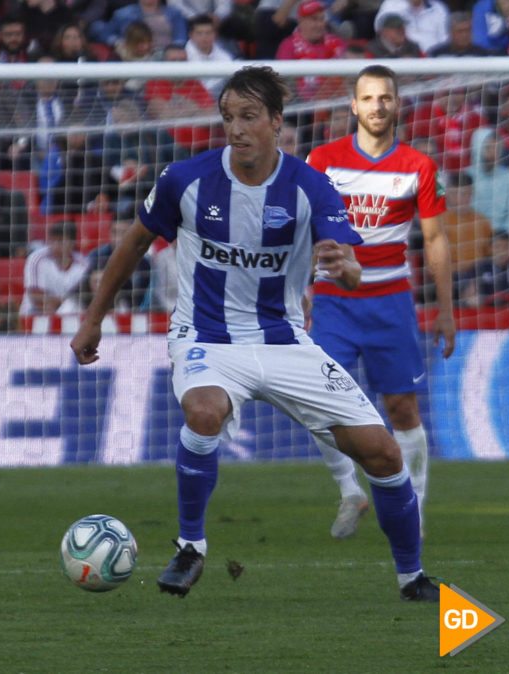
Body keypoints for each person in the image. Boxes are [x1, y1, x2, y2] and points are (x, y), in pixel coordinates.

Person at [71, 65, 439, 603]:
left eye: (248, 117)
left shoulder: (311, 186)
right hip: (207, 336)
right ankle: (190, 547)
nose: (236, 129)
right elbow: (132, 245)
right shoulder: (186, 179)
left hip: (284, 341)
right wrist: (93, 317)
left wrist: (344, 267)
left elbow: (353, 266)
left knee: (383, 454)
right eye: (228, 117)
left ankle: (413, 578)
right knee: (202, 412)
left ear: (275, 121)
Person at [306, 65, 456, 540]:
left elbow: (434, 239)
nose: (377, 106)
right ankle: (351, 490)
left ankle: (414, 507)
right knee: (319, 403)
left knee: (403, 410)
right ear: (353, 106)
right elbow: (301, 230)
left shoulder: (418, 165)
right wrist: (299, 293)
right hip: (332, 300)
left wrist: (447, 310)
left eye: (385, 98)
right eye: (368, 98)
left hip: (391, 301)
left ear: (397, 104)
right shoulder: (323, 160)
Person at [20, 220, 89, 316]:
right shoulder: (37, 259)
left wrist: (60, 303)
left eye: (61, 242)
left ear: (72, 243)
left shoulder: (83, 264)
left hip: (71, 314)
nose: (55, 246)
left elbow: (85, 299)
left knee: (73, 308)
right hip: (35, 312)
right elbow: (36, 298)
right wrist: (64, 301)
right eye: (52, 241)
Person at [373, 0, 450, 55]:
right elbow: (381, 30)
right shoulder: (391, 4)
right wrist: (407, 5)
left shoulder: (438, 7)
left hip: (435, 58)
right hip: (406, 54)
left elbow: (444, 38)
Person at [429, 11, 495, 57]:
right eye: (460, 31)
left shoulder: (483, 54)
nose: (465, 35)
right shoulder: (437, 54)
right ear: (450, 33)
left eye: (467, 30)